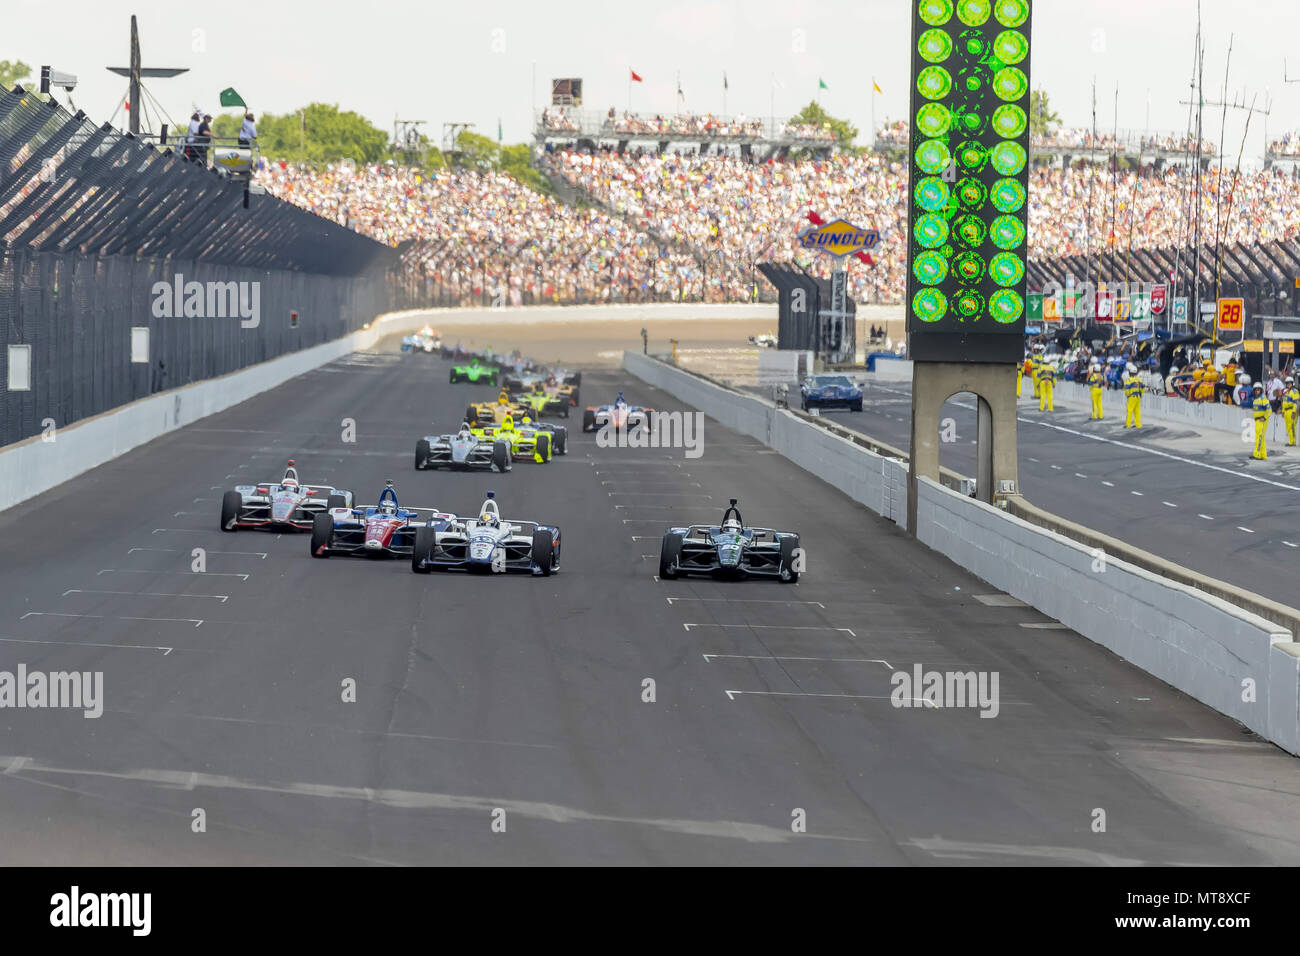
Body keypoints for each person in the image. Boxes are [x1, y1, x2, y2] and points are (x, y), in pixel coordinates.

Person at [1251, 383, 1271, 460]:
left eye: (1258, 389)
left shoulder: (1263, 399)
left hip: (1262, 420)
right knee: (1260, 438)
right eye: (1255, 390)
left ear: (1261, 390)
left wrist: (1265, 418)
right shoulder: (1255, 400)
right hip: (1257, 421)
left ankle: (1257, 454)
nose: (1257, 391)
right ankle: (1263, 455)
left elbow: (1269, 410)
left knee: (1259, 437)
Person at [1123, 362, 1143, 428]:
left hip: (1131, 397)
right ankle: (1138, 424)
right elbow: (1143, 387)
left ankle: (1128, 425)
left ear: (1130, 373)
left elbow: (1127, 388)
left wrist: (1127, 394)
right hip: (1138, 397)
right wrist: (1141, 393)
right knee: (1137, 411)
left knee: (1129, 411)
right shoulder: (1139, 380)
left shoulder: (1128, 380)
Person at [1284, 376, 1300, 447]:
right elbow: (1284, 402)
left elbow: (1296, 403)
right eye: (1287, 383)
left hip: (1291, 411)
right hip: (1286, 411)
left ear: (1292, 383)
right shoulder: (1286, 392)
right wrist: (1283, 411)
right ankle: (1290, 441)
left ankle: (1293, 442)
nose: (1288, 384)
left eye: (1289, 383)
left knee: (1292, 427)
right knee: (1288, 427)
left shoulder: (1295, 391)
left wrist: (1294, 412)